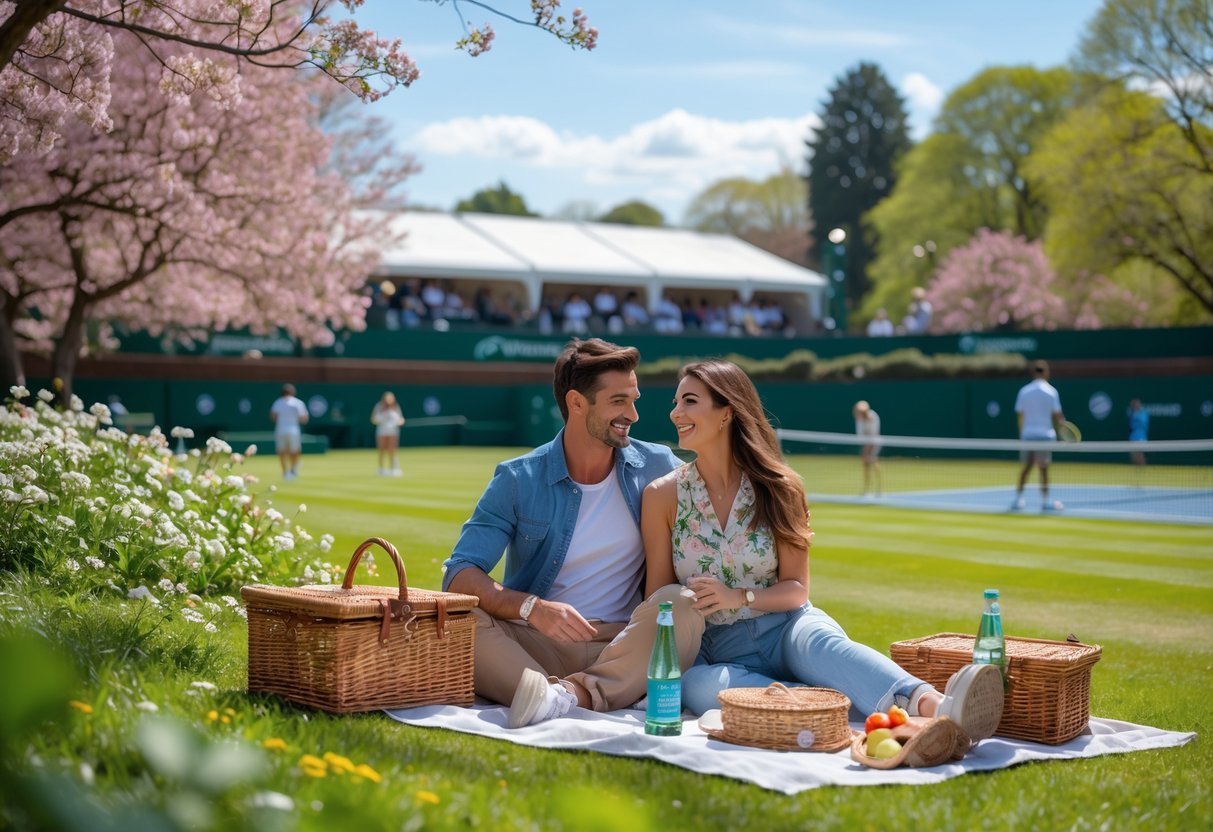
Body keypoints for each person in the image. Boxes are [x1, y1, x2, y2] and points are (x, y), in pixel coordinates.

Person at [639, 360, 1004, 751]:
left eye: (689, 401)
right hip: (712, 647)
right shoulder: (662, 495)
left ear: (727, 412)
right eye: (676, 402)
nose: (675, 413)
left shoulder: (781, 488)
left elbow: (796, 589)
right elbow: (658, 597)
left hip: (787, 626)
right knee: (699, 686)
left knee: (821, 645)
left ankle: (940, 708)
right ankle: (833, 705)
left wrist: (737, 596)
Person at [442, 338, 706, 729]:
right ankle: (607, 692)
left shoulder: (657, 466)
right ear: (576, 403)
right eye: (618, 401)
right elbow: (459, 574)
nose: (633, 414)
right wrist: (533, 608)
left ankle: (563, 697)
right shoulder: (518, 478)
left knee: (681, 604)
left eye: (634, 399)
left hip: (624, 643)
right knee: (456, 619)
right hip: (535, 644)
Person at [1012, 360, 1065, 511]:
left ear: (1034, 373)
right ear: (1046, 372)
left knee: (1026, 467)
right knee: (1044, 469)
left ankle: (1018, 500)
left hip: (1028, 436)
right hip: (1044, 436)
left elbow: (1020, 416)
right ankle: (1045, 501)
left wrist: (1022, 433)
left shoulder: (1024, 391)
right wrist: (1062, 433)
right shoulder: (1051, 392)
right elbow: (1059, 418)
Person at [269, 384, 309, 481]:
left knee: (282, 452)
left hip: (281, 430)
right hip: (293, 430)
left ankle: (286, 472)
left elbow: (273, 417)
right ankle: (293, 470)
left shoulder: (278, 402)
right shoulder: (298, 403)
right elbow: (304, 418)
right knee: (295, 451)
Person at [371, 392, 406, 476]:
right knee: (382, 450)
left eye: (391, 398)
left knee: (392, 450)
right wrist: (380, 419)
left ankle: (393, 469)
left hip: (393, 432)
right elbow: (373, 419)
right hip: (382, 431)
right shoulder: (379, 406)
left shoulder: (396, 407)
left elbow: (401, 419)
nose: (389, 400)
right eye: (388, 398)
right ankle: (381, 469)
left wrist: (400, 422)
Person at [853, 400, 882, 498]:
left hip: (875, 442)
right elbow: (860, 435)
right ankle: (866, 489)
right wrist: (865, 450)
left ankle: (879, 489)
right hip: (866, 443)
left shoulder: (873, 416)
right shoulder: (859, 419)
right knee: (865, 465)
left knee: (873, 462)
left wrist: (867, 451)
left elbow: (874, 434)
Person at [1127, 397, 1149, 467]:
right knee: (1133, 456)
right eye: (1134, 404)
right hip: (1133, 437)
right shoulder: (1131, 412)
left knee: (1140, 455)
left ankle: (1143, 469)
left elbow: (1143, 422)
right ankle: (1136, 470)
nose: (1135, 405)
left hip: (1141, 437)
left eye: (1137, 403)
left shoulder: (1143, 413)